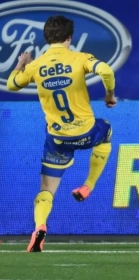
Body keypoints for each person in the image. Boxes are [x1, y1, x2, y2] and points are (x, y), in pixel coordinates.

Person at [6, 16, 117, 252]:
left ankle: (40, 227)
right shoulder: (79, 58)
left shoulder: (36, 66)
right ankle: (88, 185)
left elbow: (13, 84)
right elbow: (105, 69)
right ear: (69, 37)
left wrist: (21, 63)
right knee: (106, 130)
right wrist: (109, 95)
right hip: (86, 132)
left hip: (58, 139)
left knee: (46, 190)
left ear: (47, 38)